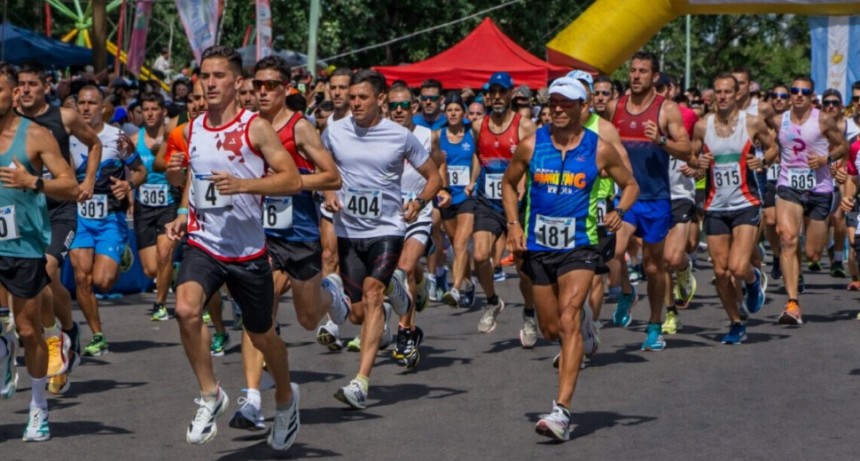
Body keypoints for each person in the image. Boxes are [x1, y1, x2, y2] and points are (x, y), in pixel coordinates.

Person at [164, 45, 303, 450]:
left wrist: (245, 184)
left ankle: (285, 399)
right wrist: (179, 199)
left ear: (237, 82)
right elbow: (194, 181)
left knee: (263, 337)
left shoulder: (255, 127)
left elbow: (291, 180)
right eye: (204, 76)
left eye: (218, 75)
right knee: (187, 309)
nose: (209, 83)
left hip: (247, 252)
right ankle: (211, 394)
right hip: (203, 243)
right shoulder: (191, 129)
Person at [502, 77, 638, 441]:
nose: (558, 109)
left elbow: (631, 185)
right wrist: (514, 224)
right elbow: (507, 183)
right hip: (538, 247)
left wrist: (619, 211)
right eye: (554, 103)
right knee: (551, 330)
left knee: (568, 319)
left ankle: (561, 412)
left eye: (567, 103)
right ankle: (588, 325)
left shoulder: (600, 149)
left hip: (580, 245)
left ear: (583, 107)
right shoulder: (532, 145)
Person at [229, 55, 347, 431]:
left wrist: (292, 181)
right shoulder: (245, 127)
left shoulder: (300, 128)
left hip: (298, 236)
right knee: (256, 315)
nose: (262, 92)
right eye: (257, 85)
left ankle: (333, 294)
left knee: (308, 318)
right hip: (259, 236)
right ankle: (250, 400)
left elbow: (332, 176)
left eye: (270, 86)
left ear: (285, 89)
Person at [321, 69, 441, 408]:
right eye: (352, 97)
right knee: (356, 314)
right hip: (348, 230)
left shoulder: (399, 137)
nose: (355, 103)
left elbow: (433, 177)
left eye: (362, 97)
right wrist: (329, 188)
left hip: (387, 229)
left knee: (373, 294)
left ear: (380, 101)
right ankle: (397, 289)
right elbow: (322, 165)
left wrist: (418, 203)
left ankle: (361, 382)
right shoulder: (334, 132)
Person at [0, 62, 79, 442]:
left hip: (24, 245)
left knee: (30, 330)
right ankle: (2, 346)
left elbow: (70, 186)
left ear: (14, 94)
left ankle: (37, 408)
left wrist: (33, 181)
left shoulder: (37, 135)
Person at [15, 61, 103, 394]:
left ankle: (57, 341)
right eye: (20, 84)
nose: (25, 90)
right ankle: (67, 330)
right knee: (42, 283)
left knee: (45, 271)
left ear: (45, 87)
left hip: (60, 210)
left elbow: (95, 143)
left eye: (32, 84)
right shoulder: (11, 123)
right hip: (26, 214)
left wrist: (89, 179)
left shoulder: (64, 117)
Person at [608, 51, 692, 351]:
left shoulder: (666, 109)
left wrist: (661, 141)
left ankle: (655, 325)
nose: (636, 76)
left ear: (655, 76)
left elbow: (687, 150)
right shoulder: (615, 107)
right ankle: (627, 292)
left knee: (656, 268)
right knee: (613, 250)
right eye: (633, 70)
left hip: (657, 199)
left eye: (643, 71)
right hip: (627, 198)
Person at [691, 72, 774, 343]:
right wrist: (697, 165)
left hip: (745, 202)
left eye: (728, 91)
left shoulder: (752, 124)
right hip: (715, 205)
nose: (723, 96)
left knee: (738, 267)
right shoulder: (703, 126)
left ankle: (752, 281)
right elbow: (693, 159)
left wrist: (763, 162)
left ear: (737, 94)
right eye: (719, 91)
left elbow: (775, 149)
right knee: (720, 271)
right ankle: (735, 323)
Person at [69, 84, 148, 357]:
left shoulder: (117, 138)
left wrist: (128, 185)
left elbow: (140, 171)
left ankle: (122, 251)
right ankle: (97, 334)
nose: (86, 108)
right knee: (82, 277)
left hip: (110, 217)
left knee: (103, 282)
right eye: (81, 103)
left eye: (92, 103)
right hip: (78, 217)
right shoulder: (66, 136)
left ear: (103, 107)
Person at [770, 76, 849, 325]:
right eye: (794, 90)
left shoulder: (822, 119)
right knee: (787, 238)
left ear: (811, 96)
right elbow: (773, 147)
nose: (799, 95)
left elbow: (843, 146)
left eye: (804, 91)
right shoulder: (778, 120)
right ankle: (792, 302)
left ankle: (798, 267)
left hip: (819, 189)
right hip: (788, 186)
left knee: (813, 254)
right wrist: (765, 159)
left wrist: (826, 158)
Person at [469, 71, 537, 335]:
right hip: (487, 201)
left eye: (501, 92)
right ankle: (491, 301)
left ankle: (529, 313)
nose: (496, 97)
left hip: (518, 205)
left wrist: (523, 181)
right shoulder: (478, 126)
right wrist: (474, 179)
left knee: (522, 269)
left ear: (510, 94)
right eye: (492, 93)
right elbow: (479, 154)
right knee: (478, 255)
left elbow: (535, 159)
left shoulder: (525, 126)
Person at [386, 84, 449, 368]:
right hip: (388, 213)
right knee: (405, 271)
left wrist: (438, 190)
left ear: (414, 108)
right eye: (393, 105)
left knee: (405, 268)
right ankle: (421, 283)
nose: (398, 110)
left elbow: (438, 164)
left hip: (418, 209)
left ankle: (406, 333)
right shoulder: (379, 134)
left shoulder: (427, 135)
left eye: (404, 105)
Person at [130, 92, 176, 322]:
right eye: (145, 109)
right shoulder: (132, 139)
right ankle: (174, 276)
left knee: (165, 252)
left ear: (163, 112)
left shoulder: (172, 138)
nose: (149, 113)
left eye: (154, 109)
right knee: (150, 269)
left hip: (168, 204)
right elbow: (129, 171)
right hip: (143, 206)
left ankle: (160, 303)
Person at [439, 92, 478, 308]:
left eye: (457, 110)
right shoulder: (438, 135)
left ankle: (455, 289)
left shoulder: (472, 135)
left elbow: (478, 160)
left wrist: (473, 182)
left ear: (463, 113)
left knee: (462, 243)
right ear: (445, 113)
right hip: (446, 198)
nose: (453, 113)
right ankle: (469, 283)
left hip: (467, 196)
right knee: (456, 246)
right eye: (449, 110)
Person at [763, 82, 792, 280]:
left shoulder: (794, 122)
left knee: (788, 229)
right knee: (770, 221)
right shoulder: (760, 123)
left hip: (789, 179)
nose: (778, 99)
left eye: (783, 96)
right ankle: (776, 253)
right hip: (768, 178)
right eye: (775, 95)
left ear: (789, 100)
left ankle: (792, 266)